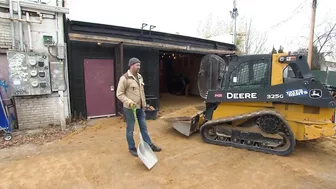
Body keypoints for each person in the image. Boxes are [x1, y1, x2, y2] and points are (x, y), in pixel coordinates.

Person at [116, 57, 161, 157]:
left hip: (140, 108)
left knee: (143, 128)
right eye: (137, 65)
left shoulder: (140, 77)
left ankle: (149, 145)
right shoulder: (125, 78)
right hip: (130, 109)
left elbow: (142, 92)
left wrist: (144, 105)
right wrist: (129, 102)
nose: (139, 67)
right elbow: (119, 94)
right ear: (131, 65)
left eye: (139, 65)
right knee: (130, 129)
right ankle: (132, 148)